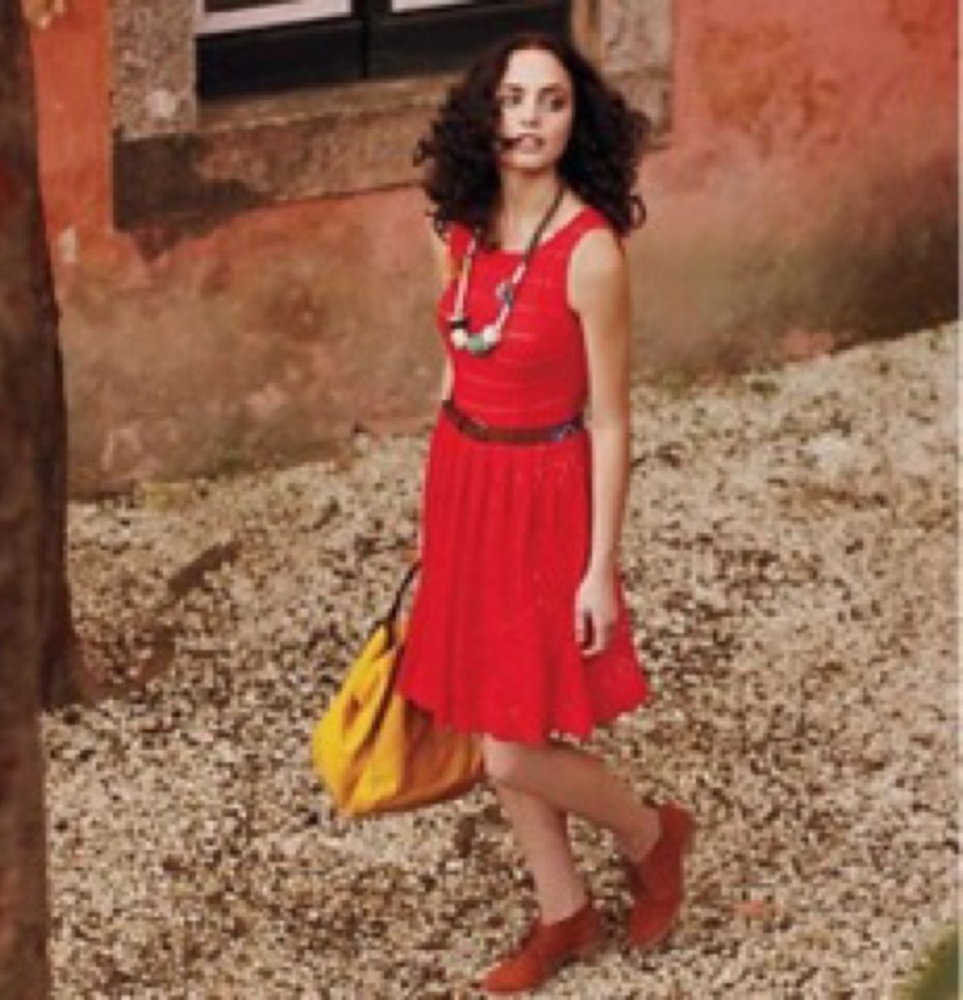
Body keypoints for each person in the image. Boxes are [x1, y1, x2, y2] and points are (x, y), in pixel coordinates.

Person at [396, 31, 694, 994]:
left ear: (577, 121)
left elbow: (611, 420)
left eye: (552, 100)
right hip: (465, 482)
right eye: (513, 98)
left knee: (511, 746)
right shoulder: (458, 227)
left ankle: (653, 834)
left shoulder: (591, 251)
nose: (529, 117)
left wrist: (598, 565)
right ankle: (565, 912)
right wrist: (435, 503)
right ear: (486, 114)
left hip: (544, 495)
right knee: (491, 711)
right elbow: (455, 354)